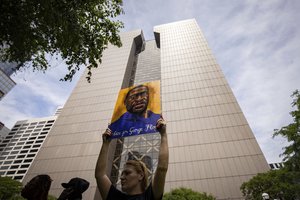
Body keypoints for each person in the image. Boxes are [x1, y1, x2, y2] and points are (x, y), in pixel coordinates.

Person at [95, 117, 168, 200]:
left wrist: (163, 134)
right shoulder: (115, 197)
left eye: (127, 173)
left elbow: (162, 168)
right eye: (122, 173)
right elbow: (100, 175)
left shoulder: (149, 196)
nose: (121, 177)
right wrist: (106, 143)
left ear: (140, 175)